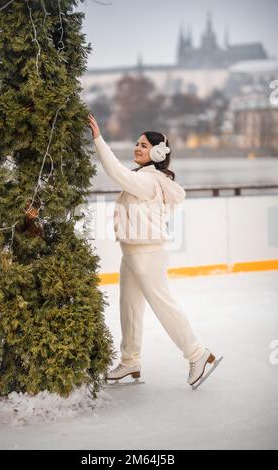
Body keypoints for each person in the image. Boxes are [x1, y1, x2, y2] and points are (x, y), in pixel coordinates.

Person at [87, 114, 221, 389]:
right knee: (130, 307)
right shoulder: (145, 177)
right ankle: (130, 361)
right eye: (137, 143)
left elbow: (115, 172)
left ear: (158, 153)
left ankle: (198, 354)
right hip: (133, 252)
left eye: (144, 145)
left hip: (146, 253)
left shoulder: (148, 180)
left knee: (163, 305)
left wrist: (98, 139)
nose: (137, 148)